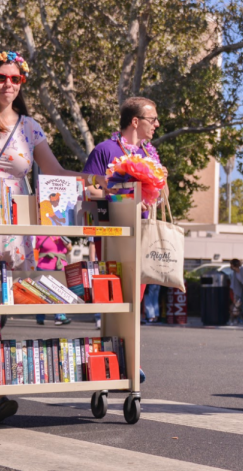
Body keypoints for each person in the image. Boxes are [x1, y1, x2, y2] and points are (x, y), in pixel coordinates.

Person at [0, 50, 106, 424]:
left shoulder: (30, 127)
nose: (8, 85)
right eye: (1, 77)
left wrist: (99, 184)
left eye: (15, 79)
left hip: (13, 231)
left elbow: (54, 172)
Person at [82, 96, 162, 379]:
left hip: (140, 235)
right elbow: (88, 190)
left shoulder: (151, 155)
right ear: (136, 121)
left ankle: (130, 359)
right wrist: (125, 196)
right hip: (112, 235)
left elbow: (157, 195)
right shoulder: (105, 150)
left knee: (133, 301)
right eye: (152, 120)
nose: (157, 124)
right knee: (114, 300)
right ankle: (112, 359)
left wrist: (155, 196)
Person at [35, 235, 71, 326]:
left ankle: (60, 317)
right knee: (42, 293)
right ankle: (40, 317)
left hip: (60, 266)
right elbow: (34, 249)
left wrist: (67, 245)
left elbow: (69, 249)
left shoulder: (61, 236)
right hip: (44, 267)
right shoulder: (40, 235)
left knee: (60, 292)